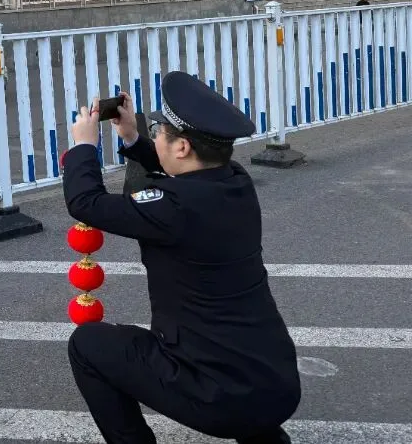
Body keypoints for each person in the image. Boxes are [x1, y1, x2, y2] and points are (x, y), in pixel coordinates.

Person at [63, 71, 300, 444]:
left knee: (87, 345)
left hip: (218, 398)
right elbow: (178, 175)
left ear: (183, 147)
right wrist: (132, 137)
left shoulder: (173, 209)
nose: (155, 135)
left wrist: (83, 147)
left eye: (158, 131)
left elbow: (85, 203)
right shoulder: (235, 181)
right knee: (233, 352)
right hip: (277, 384)